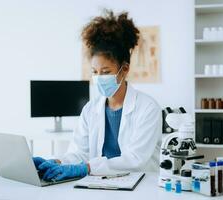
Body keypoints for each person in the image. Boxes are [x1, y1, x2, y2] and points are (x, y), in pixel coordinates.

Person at [33, 10, 162, 182]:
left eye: (106, 71)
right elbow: (79, 152)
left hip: (140, 184)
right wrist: (56, 161)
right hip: (99, 183)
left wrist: (86, 167)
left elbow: (135, 159)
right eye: (95, 72)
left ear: (124, 69)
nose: (99, 78)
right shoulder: (90, 109)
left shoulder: (148, 108)